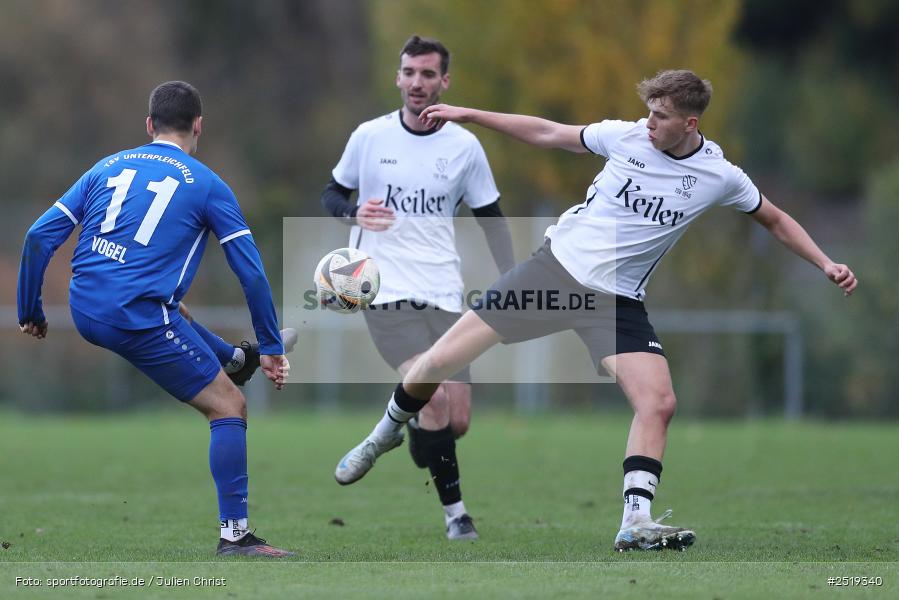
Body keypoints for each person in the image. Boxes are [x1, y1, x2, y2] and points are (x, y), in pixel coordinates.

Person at [334, 69, 857, 551]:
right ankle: (383, 434)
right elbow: (546, 132)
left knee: (659, 402)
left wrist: (825, 262)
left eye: (660, 116)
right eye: (648, 112)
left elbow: (774, 218)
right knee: (437, 362)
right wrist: (470, 114)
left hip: (615, 302)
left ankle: (635, 521)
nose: (648, 123)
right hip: (553, 274)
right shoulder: (625, 137)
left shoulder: (719, 176)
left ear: (690, 124)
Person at [18, 81, 295, 557]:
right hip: (134, 318)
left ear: (149, 125)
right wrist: (272, 345)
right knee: (229, 406)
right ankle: (236, 537)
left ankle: (234, 358)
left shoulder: (106, 166)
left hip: (84, 307)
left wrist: (31, 310)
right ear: (198, 126)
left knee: (173, 307)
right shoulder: (208, 185)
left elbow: (38, 237)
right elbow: (249, 271)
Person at [324, 35, 515, 540]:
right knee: (433, 402)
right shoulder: (369, 136)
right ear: (398, 76)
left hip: (445, 292)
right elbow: (331, 193)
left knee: (457, 420)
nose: (417, 82)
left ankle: (407, 424)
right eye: (409, 72)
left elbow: (492, 217)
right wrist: (353, 212)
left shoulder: (464, 147)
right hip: (383, 289)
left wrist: (513, 278)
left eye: (428, 74)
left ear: (444, 81)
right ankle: (458, 517)